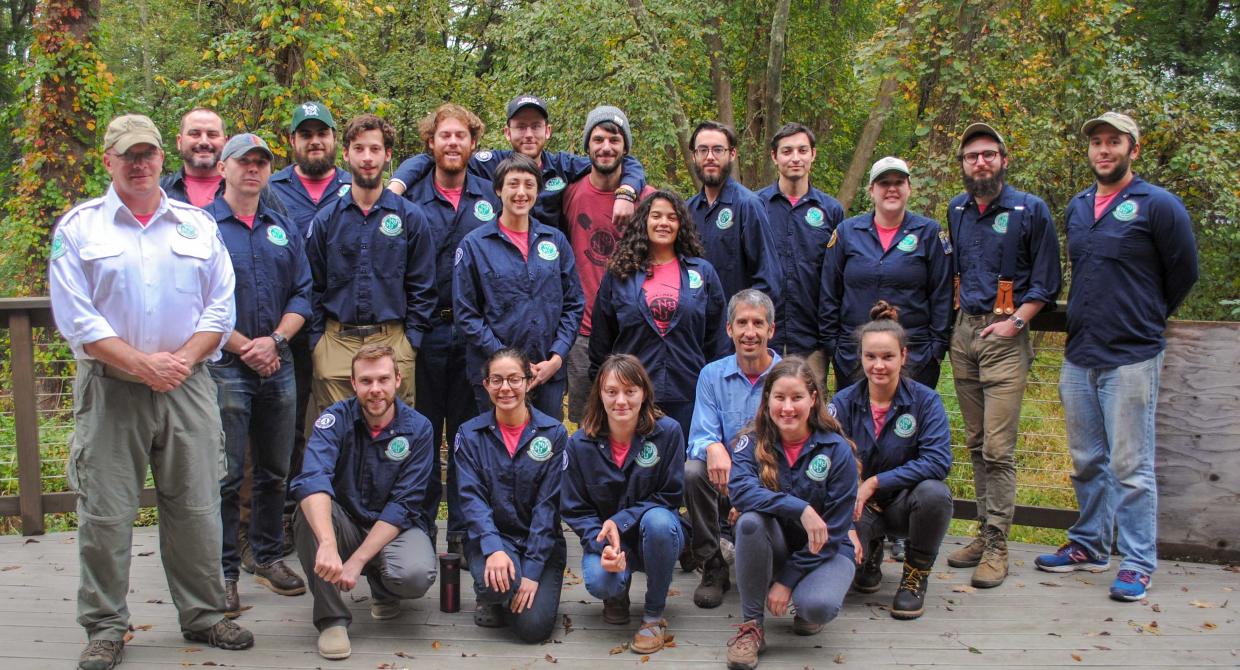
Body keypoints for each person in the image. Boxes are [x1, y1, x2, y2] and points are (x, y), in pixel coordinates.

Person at [49, 114, 252, 670]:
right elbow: (76, 318)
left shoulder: (195, 225)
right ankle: (106, 627)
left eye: (148, 154)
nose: (139, 164)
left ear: (163, 158)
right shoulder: (80, 228)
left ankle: (206, 614)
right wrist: (141, 364)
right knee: (106, 514)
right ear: (108, 161)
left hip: (187, 386)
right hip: (112, 390)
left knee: (196, 507)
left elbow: (221, 306)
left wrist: (180, 361)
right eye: (127, 155)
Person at [1035, 112, 1199, 602]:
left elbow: (1183, 273)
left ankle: (1138, 562)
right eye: (1097, 143)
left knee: (1131, 465)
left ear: (1133, 149)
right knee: (1087, 460)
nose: (1103, 150)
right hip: (1080, 352)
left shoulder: (1158, 205)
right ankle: (1089, 545)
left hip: (1132, 355)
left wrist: (1147, 315)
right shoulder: (1079, 207)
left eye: (1114, 142)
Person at [944, 123, 1061, 589]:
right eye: (972, 156)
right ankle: (981, 531)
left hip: (1007, 334)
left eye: (989, 155)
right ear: (964, 165)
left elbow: (1048, 281)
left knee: (998, 447)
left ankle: (999, 543)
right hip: (964, 334)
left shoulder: (1029, 210)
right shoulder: (956, 209)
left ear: (1004, 160)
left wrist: (1016, 322)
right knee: (974, 443)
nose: (980, 163)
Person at [204, 133, 311, 616]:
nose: (253, 170)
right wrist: (243, 345)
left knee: (274, 468)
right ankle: (224, 572)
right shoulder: (201, 228)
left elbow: (303, 293)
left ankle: (267, 555)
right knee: (226, 475)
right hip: (226, 363)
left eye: (262, 163)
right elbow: (194, 298)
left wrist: (276, 341)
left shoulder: (281, 226)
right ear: (223, 168)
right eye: (244, 162)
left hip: (279, 362)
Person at [290, 344, 438, 660]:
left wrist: (356, 561)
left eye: (383, 379)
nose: (375, 390)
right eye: (366, 381)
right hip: (344, 521)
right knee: (309, 515)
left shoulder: (419, 428)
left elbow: (405, 504)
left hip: (393, 527)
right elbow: (313, 479)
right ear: (353, 383)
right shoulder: (333, 420)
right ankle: (331, 620)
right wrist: (328, 543)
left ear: (398, 380)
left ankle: (384, 590)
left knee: (415, 573)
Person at [400, 103, 500, 557]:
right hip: (422, 332)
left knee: (465, 436)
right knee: (422, 433)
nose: (453, 143)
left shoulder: (491, 196)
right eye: (445, 136)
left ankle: (462, 533)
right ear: (431, 143)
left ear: (473, 143)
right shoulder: (408, 200)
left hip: (474, 337)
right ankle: (419, 528)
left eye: (461, 136)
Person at [724, 357, 859, 670]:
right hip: (776, 545)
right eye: (779, 397)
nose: (787, 407)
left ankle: (802, 596)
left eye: (797, 397)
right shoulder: (752, 441)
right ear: (767, 399)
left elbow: (836, 531)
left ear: (813, 399)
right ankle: (752, 628)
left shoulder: (836, 449)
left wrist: (786, 580)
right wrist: (800, 508)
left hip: (827, 550)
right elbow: (741, 491)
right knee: (750, 521)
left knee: (818, 607)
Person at [829, 301, 952, 620]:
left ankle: (915, 575)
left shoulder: (926, 401)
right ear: (861, 357)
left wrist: (875, 482)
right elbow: (826, 456)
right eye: (870, 356)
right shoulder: (843, 402)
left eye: (887, 357)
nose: (878, 365)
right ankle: (869, 556)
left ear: (904, 356)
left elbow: (938, 461)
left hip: (904, 503)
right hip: (860, 507)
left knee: (935, 494)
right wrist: (856, 489)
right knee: (843, 576)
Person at [268, 100, 353, 561]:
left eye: (323, 132)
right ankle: (290, 516)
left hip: (340, 330)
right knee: (292, 428)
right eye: (306, 134)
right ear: (294, 142)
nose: (315, 140)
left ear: (335, 140)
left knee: (343, 424)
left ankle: (345, 511)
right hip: (290, 328)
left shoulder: (354, 184)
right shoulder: (274, 189)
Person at [306, 113, 436, 411]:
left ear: (388, 155)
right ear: (346, 153)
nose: (367, 157)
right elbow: (311, 284)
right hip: (336, 343)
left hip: (392, 340)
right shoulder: (327, 219)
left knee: (393, 440)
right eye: (359, 149)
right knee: (339, 438)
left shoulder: (410, 217)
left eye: (375, 149)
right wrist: (317, 343)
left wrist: (411, 343)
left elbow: (422, 286)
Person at [561, 354, 685, 655]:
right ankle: (616, 595)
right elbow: (575, 508)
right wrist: (600, 543)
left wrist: (620, 521)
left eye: (630, 391)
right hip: (607, 543)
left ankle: (654, 614)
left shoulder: (668, 432)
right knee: (601, 582)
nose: (621, 401)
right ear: (599, 394)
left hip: (656, 536)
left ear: (644, 393)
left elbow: (670, 495)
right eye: (611, 391)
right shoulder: (579, 444)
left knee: (659, 521)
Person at [388, 94, 646, 229]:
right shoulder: (489, 164)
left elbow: (620, 160)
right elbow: (433, 158)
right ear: (507, 132)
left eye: (536, 126)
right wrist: (396, 186)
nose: (529, 135)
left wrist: (626, 193)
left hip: (550, 262)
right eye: (521, 127)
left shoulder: (563, 166)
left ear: (548, 131)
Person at [454, 154, 585, 419]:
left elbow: (574, 304)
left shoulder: (556, 241)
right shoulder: (474, 245)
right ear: (499, 190)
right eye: (513, 184)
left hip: (547, 372)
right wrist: (510, 363)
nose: (521, 192)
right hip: (495, 374)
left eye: (529, 185)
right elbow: (467, 314)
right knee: (496, 449)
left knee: (544, 449)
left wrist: (558, 356)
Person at [589, 189, 728, 438]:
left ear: (681, 224)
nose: (663, 223)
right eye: (656, 216)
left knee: (685, 469)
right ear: (644, 221)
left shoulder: (703, 273)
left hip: (690, 392)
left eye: (671, 217)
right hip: (630, 395)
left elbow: (717, 340)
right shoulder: (620, 273)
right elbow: (602, 338)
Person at [455, 348, 568, 642]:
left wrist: (531, 573)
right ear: (486, 385)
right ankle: (496, 595)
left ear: (529, 382)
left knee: (532, 629)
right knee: (498, 584)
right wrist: (493, 548)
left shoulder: (554, 433)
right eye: (497, 380)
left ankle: (520, 588)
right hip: (492, 540)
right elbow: (472, 500)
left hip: (539, 543)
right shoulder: (469, 434)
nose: (505, 388)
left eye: (514, 379)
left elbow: (549, 506)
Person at [819, 156, 952, 390]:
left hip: (915, 357)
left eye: (899, 182)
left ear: (909, 188)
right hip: (855, 357)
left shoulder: (929, 233)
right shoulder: (847, 233)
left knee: (909, 424)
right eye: (883, 183)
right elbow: (829, 292)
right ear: (871, 190)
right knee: (856, 424)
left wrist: (936, 351)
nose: (891, 188)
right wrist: (833, 347)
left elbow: (942, 294)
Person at [685, 289, 781, 608]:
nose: (749, 332)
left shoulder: (787, 376)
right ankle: (713, 566)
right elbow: (699, 435)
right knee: (693, 469)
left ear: (771, 329)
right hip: (721, 478)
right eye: (742, 322)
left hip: (770, 480)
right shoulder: (711, 375)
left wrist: (749, 484)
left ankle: (777, 561)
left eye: (758, 323)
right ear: (729, 329)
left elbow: (794, 444)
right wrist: (712, 445)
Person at [563, 105, 656, 425]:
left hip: (637, 329)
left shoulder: (648, 199)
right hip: (584, 332)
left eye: (614, 140)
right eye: (598, 139)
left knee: (638, 419)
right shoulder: (570, 192)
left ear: (626, 148)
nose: (605, 147)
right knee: (588, 422)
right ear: (587, 145)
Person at [756, 122, 844, 387]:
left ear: (813, 154)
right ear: (774, 157)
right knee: (761, 411)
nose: (795, 158)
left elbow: (837, 277)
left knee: (809, 413)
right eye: (787, 151)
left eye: (802, 150)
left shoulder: (831, 211)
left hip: (812, 340)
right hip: (762, 338)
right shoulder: (755, 206)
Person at [686, 120, 781, 304]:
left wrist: (744, 323)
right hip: (695, 327)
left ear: (732, 154)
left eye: (718, 150)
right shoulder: (687, 210)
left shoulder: (748, 206)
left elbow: (768, 280)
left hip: (734, 327)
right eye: (703, 150)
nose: (710, 157)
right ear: (694, 156)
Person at [162, 107, 286, 214]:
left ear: (226, 142)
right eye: (195, 134)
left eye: (212, 135)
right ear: (179, 141)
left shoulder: (257, 191)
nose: (204, 142)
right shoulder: (161, 192)